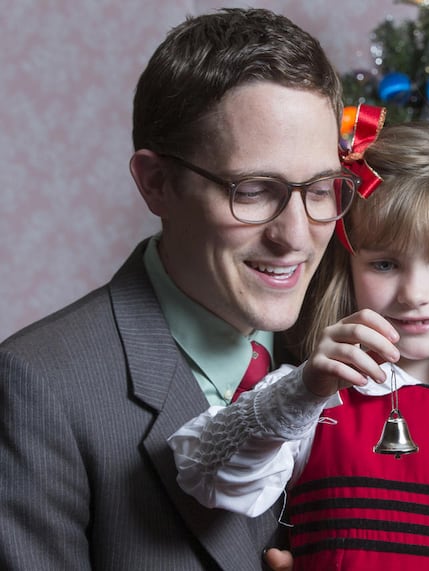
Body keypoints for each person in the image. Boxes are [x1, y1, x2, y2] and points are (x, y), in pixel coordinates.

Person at [0, 8, 352, 570]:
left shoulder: (359, 349)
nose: (295, 235)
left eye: (320, 188)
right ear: (157, 183)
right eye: (253, 190)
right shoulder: (40, 389)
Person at [169, 119, 429, 570]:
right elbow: (205, 476)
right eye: (384, 264)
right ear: (349, 268)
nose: (414, 294)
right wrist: (305, 390)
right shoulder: (308, 398)